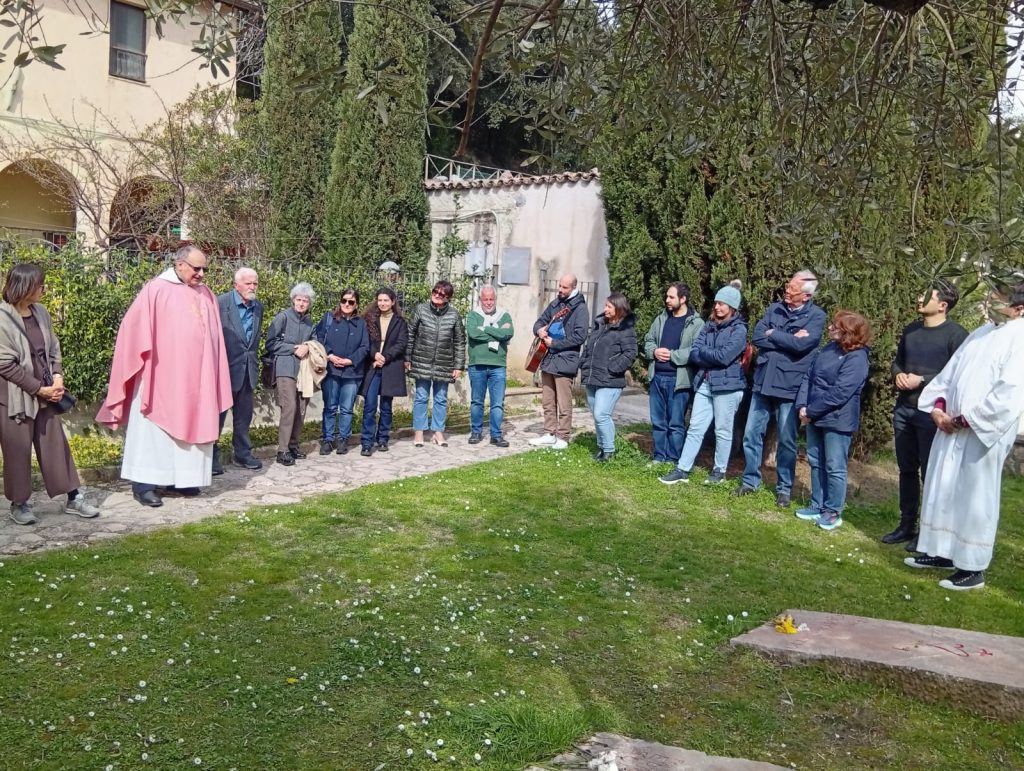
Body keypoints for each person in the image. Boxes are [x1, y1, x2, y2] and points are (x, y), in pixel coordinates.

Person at [904, 283, 1024, 591]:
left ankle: (973, 567)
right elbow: (950, 374)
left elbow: (1009, 394)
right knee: (943, 488)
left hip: (981, 434)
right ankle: (942, 552)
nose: (991, 301)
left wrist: (964, 420)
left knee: (974, 496)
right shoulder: (982, 332)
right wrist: (938, 408)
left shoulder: (1019, 338)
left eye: (999, 298)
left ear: (1019, 308)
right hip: (950, 427)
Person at [97, 245, 233, 507]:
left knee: (191, 428)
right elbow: (132, 329)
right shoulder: (156, 290)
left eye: (204, 269)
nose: (202, 274)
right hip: (161, 378)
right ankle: (144, 485)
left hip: (198, 380)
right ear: (180, 264)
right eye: (197, 268)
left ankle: (181, 480)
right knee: (154, 433)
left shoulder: (206, 293)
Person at [0, 263, 101, 523]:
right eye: (40, 285)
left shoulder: (41, 312)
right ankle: (19, 504)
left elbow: (53, 348)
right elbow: (4, 364)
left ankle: (73, 497)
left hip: (47, 392)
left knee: (55, 446)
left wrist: (57, 377)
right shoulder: (2, 318)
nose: (44, 289)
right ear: (24, 287)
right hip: (15, 398)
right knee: (17, 451)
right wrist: (38, 389)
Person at [882, 282, 968, 548]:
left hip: (933, 414)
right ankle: (906, 525)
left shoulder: (957, 335)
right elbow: (898, 361)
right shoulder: (911, 330)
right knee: (906, 470)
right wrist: (898, 374)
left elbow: (958, 375)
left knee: (930, 473)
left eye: (926, 295)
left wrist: (923, 380)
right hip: (904, 409)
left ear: (942, 305)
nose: (919, 298)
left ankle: (928, 531)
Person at [734, 270, 826, 507]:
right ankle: (750, 480)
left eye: (792, 289)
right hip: (763, 381)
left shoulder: (816, 317)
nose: (787, 291)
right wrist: (789, 338)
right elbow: (757, 336)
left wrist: (774, 333)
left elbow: (802, 346)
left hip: (789, 386)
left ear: (806, 296)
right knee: (751, 434)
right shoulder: (774, 309)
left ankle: (784, 489)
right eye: (787, 286)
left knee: (787, 441)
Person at [660, 280, 747, 485]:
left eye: (722, 304)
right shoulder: (708, 326)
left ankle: (719, 471)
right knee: (695, 427)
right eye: (716, 303)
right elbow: (694, 353)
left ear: (732, 307)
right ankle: (683, 468)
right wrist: (711, 354)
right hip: (705, 383)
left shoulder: (739, 331)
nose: (717, 307)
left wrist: (706, 354)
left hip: (727, 387)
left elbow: (724, 357)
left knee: (722, 431)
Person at [793, 311, 872, 531]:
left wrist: (811, 410)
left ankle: (833, 511)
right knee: (815, 460)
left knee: (834, 466)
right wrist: (802, 405)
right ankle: (817, 505)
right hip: (814, 414)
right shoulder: (828, 349)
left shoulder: (858, 358)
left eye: (835, 326)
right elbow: (809, 376)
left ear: (849, 332)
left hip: (837, 419)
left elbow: (840, 392)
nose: (830, 328)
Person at [643, 282, 704, 462]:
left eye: (671, 297)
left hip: (679, 381)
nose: (667, 300)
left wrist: (672, 355)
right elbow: (648, 340)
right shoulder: (661, 319)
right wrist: (654, 351)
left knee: (676, 424)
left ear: (683, 299)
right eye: (667, 296)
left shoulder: (696, 323)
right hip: (657, 378)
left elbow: (696, 350)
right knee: (658, 422)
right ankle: (659, 457)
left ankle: (673, 459)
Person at [212, 267, 264, 475]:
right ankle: (211, 457)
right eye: (248, 283)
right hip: (224, 370)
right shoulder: (220, 303)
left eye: (255, 283)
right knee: (216, 417)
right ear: (236, 285)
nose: (252, 287)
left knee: (243, 417)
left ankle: (242, 454)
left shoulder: (258, 306)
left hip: (247, 370)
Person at [529, 273, 589, 450]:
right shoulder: (555, 303)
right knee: (548, 400)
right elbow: (539, 321)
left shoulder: (580, 309)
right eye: (560, 286)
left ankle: (563, 436)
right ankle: (549, 433)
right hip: (548, 358)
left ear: (574, 287)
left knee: (564, 402)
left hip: (566, 360)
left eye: (564, 287)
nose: (560, 290)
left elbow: (580, 336)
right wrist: (539, 330)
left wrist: (555, 343)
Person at [579, 292, 638, 462]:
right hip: (593, 377)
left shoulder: (625, 329)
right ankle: (602, 447)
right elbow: (589, 348)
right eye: (605, 306)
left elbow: (630, 353)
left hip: (610, 380)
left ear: (619, 308)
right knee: (596, 415)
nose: (605, 309)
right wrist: (583, 363)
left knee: (601, 414)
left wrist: (613, 368)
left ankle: (609, 451)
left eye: (609, 306)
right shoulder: (601, 325)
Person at [406, 280, 466, 447]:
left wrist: (458, 365)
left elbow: (460, 341)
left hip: (444, 363)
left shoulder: (454, 315)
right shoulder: (420, 310)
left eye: (442, 294)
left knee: (440, 399)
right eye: (435, 292)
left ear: (448, 298)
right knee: (421, 397)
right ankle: (419, 432)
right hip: (421, 360)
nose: (437, 295)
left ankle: (438, 432)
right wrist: (407, 357)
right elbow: (410, 334)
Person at [264, 282, 316, 466]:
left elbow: (314, 342)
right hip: (285, 367)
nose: (301, 303)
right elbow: (270, 344)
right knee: (290, 406)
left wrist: (307, 347)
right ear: (293, 300)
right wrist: (294, 349)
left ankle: (293, 445)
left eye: (305, 301)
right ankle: (283, 450)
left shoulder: (310, 323)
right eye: (299, 299)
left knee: (301, 408)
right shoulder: (283, 317)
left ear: (309, 303)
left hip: (304, 371)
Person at [315, 288, 369, 455]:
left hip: (352, 372)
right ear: (340, 302)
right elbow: (319, 338)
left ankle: (343, 439)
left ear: (356, 305)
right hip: (331, 370)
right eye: (344, 300)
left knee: (346, 408)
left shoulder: (361, 324)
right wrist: (330, 355)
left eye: (351, 302)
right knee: (330, 407)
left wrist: (350, 360)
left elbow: (365, 347)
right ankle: (328, 439)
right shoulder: (329, 319)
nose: (347, 304)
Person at [360, 288, 408, 455]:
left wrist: (385, 357)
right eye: (380, 300)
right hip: (373, 366)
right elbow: (365, 341)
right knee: (370, 405)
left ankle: (382, 439)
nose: (382, 303)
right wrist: (375, 355)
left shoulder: (400, 322)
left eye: (386, 300)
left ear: (393, 302)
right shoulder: (369, 319)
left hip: (390, 366)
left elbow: (401, 343)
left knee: (386, 407)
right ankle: (367, 442)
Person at [467, 285, 514, 447]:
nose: (488, 302)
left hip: (497, 365)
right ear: (481, 300)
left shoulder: (504, 315)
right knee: (477, 401)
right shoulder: (473, 315)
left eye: (491, 299)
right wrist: (497, 331)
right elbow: (473, 334)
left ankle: (496, 435)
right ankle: (476, 432)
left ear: (495, 299)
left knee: (497, 403)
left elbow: (508, 333)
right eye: (485, 299)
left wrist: (485, 328)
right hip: (477, 364)